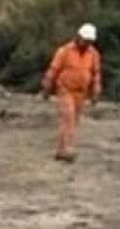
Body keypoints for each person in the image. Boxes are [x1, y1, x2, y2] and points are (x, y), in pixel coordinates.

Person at [41, 22, 102, 162]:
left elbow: (96, 73)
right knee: (68, 116)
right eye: (85, 40)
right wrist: (47, 86)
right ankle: (66, 148)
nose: (87, 43)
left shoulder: (93, 54)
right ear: (78, 36)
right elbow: (53, 69)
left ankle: (62, 148)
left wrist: (96, 91)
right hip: (65, 89)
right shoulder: (65, 51)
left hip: (81, 92)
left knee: (74, 120)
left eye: (89, 41)